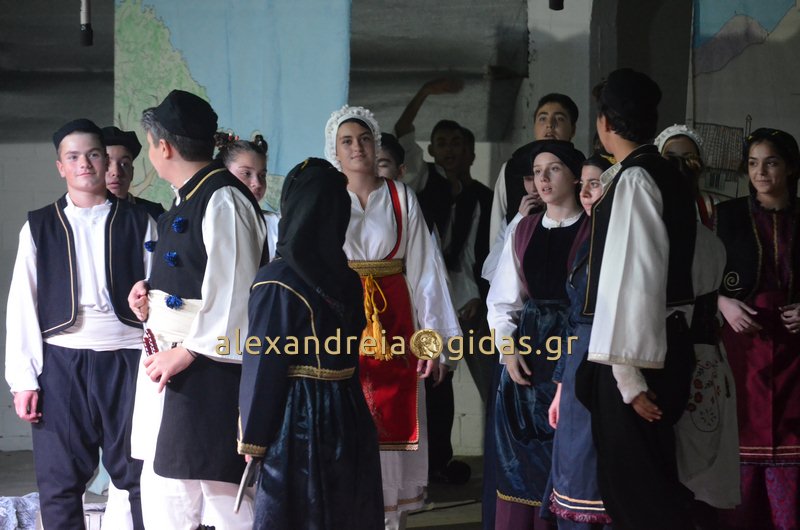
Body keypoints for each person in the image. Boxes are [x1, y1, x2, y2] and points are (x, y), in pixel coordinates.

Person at [5, 118, 155, 529]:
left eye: (92, 155)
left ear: (105, 160)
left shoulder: (140, 221)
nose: (84, 164)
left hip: (128, 360)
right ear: (61, 167)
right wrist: (23, 380)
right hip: (62, 364)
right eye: (73, 157)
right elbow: (23, 304)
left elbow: (159, 294)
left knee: (141, 478)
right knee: (59, 482)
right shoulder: (39, 226)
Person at [127, 90, 266, 530]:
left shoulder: (223, 199)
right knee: (168, 489)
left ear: (164, 147)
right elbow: (194, 274)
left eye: (150, 144)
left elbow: (237, 291)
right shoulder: (188, 196)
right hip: (173, 359)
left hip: (206, 367)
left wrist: (188, 351)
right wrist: (150, 296)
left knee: (218, 493)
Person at [324, 105, 461, 530]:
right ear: (334, 149)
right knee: (346, 419)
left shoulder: (401, 196)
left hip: (396, 324)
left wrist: (433, 343)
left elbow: (426, 273)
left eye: (365, 139)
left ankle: (389, 520)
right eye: (347, 141)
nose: (357, 147)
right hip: (343, 320)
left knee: (392, 419)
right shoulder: (327, 197)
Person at [577, 68, 697, 530]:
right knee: (647, 487)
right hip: (661, 341)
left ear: (605, 122)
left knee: (639, 495)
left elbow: (633, 279)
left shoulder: (635, 179)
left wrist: (628, 376)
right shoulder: (665, 175)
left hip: (637, 357)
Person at [238, 158, 383, 530]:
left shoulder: (277, 281)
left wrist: (253, 438)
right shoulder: (347, 278)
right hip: (349, 415)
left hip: (297, 422)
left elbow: (264, 366)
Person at [487, 139, 587, 530]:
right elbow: (503, 301)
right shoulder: (524, 229)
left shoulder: (593, 230)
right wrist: (508, 350)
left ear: (575, 176)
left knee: (568, 455)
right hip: (528, 357)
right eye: (537, 172)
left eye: (553, 169)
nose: (543, 179)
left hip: (575, 350)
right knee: (520, 460)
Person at [715, 127, 800, 530]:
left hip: (794, 346)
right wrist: (722, 302)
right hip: (742, 341)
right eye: (752, 163)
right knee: (741, 438)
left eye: (771, 162)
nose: (760, 172)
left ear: (790, 168)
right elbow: (697, 277)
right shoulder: (726, 216)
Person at [546, 154, 613, 530]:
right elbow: (574, 319)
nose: (586, 193)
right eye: (583, 184)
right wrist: (560, 385)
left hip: (609, 357)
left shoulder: (621, 238)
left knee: (601, 469)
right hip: (577, 358)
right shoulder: (586, 239)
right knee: (573, 469)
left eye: (595, 183)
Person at [488, 93, 580, 248]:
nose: (549, 125)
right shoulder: (511, 169)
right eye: (542, 118)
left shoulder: (582, 168)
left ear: (573, 129)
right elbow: (497, 223)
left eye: (559, 118)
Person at [214, 131, 279, 260]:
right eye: (246, 173)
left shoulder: (276, 224)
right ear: (223, 174)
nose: (257, 183)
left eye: (262, 175)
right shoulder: (210, 222)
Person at [655, 124, 718, 228]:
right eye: (671, 158)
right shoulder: (649, 202)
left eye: (687, 158)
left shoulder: (711, 206)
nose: (680, 166)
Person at [102, 125, 166, 220]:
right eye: (107, 163)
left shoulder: (155, 214)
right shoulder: (80, 215)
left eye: (124, 164)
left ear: (132, 172)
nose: (116, 172)